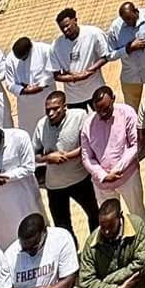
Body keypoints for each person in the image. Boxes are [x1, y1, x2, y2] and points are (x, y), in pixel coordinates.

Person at [32, 92, 97, 236]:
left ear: (65, 107)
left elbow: (88, 144)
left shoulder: (79, 116)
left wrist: (66, 156)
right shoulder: (41, 125)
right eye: (47, 109)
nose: (51, 113)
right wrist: (48, 158)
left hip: (80, 179)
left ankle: (96, 248)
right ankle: (71, 252)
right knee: (62, 227)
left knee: (94, 215)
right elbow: (34, 154)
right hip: (55, 186)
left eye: (55, 108)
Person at [78, 89, 145, 224]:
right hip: (102, 184)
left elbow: (136, 144)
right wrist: (103, 175)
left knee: (137, 214)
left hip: (127, 177)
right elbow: (86, 157)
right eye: (98, 110)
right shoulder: (87, 125)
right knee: (110, 220)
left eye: (106, 108)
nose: (102, 113)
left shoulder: (126, 113)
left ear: (113, 99)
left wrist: (118, 169)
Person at [0, 127, 45, 249]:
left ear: (2, 141)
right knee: (3, 235)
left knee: (32, 228)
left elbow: (29, 167)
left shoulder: (20, 137)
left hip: (23, 194)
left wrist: (4, 177)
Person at [47, 11, 110, 111]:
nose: (65, 30)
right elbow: (56, 75)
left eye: (67, 26)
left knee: (103, 119)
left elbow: (106, 56)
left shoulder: (93, 33)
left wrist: (88, 72)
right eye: (62, 28)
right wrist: (74, 77)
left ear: (75, 20)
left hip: (96, 89)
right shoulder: (56, 46)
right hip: (74, 97)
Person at [106, 5, 145, 111]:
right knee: (131, 108)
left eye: (129, 18)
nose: (127, 22)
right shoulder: (115, 27)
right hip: (130, 75)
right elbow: (109, 55)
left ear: (136, 11)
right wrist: (127, 49)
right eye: (124, 20)